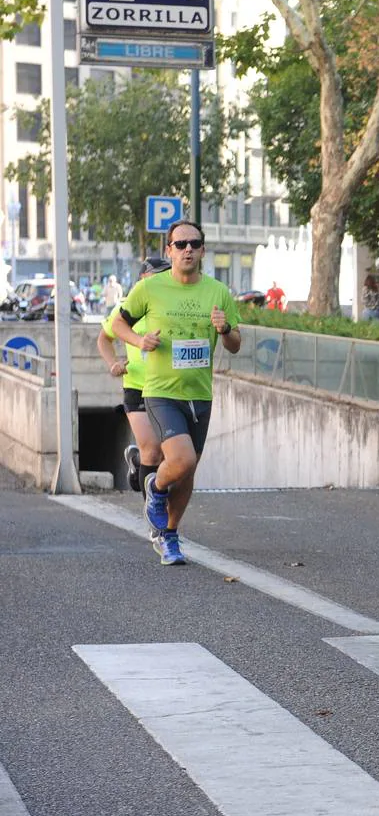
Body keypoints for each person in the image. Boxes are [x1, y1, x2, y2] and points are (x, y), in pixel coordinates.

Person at [111, 221, 242, 566]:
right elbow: (116, 325)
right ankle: (154, 488)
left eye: (194, 244)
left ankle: (169, 535)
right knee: (181, 459)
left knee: (187, 471)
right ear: (168, 251)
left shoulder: (218, 292)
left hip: (199, 393)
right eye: (180, 244)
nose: (187, 249)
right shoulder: (151, 288)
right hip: (160, 391)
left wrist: (225, 329)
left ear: (202, 250)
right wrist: (140, 342)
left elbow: (235, 344)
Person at [96, 257, 171, 495]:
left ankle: (137, 462)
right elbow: (104, 338)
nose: (162, 281)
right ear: (143, 280)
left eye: (166, 275)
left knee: (166, 455)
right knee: (152, 450)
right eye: (156, 276)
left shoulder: (172, 306)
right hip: (137, 384)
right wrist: (113, 363)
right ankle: (154, 512)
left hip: (170, 386)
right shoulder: (128, 308)